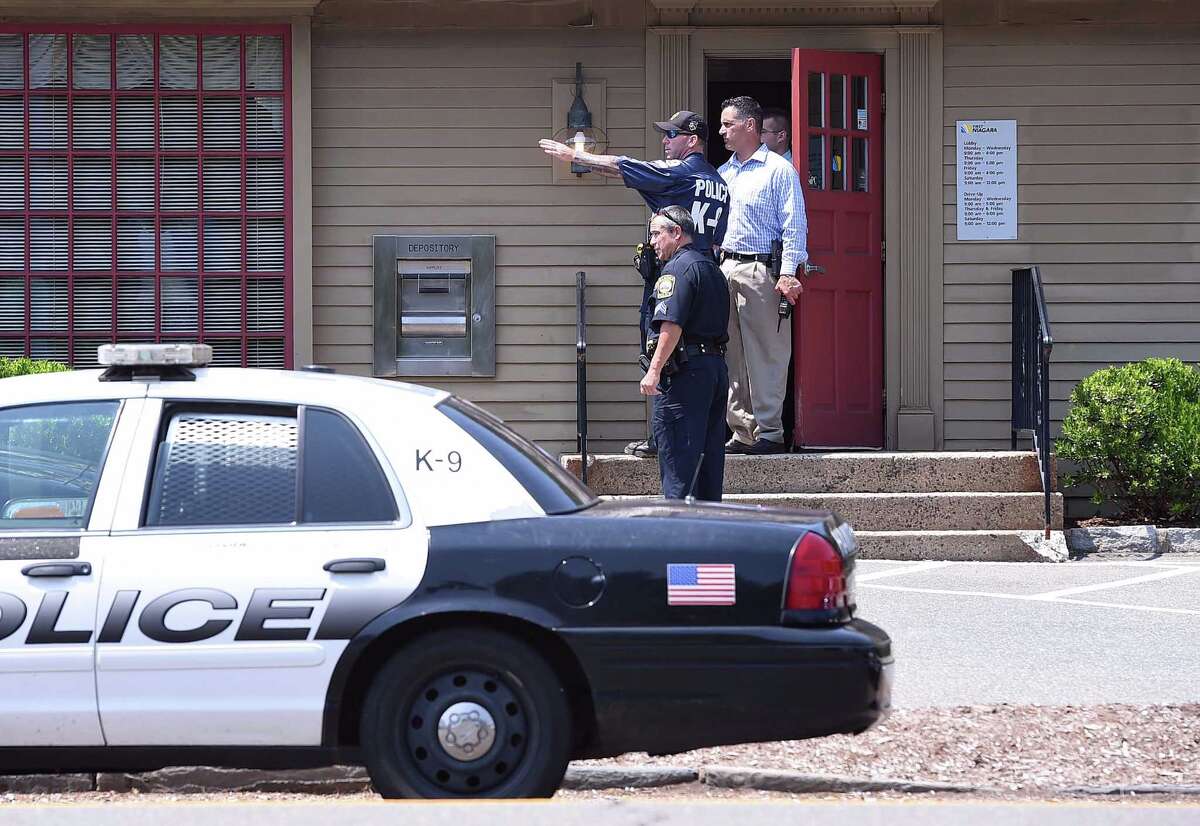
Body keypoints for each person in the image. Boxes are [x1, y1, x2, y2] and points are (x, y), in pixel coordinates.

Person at [539, 111, 729, 458]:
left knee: (662, 347)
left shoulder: (679, 172)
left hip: (676, 272)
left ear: (692, 140)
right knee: (700, 351)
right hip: (708, 272)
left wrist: (575, 156)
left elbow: (624, 166)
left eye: (671, 135)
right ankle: (690, 436)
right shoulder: (720, 182)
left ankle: (662, 438)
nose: (665, 141)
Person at [716, 96, 808, 455]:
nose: (722, 131)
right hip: (726, 266)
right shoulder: (723, 173)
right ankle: (743, 432)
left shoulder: (779, 170)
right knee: (733, 354)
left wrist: (787, 274)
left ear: (750, 126)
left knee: (767, 352)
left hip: (760, 269)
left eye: (728, 124)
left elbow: (794, 225)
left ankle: (770, 432)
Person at [639, 206, 729, 501]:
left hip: (685, 375)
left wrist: (654, 371)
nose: (652, 242)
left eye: (656, 234)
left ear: (676, 232)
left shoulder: (677, 270)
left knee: (679, 469)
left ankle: (680, 529)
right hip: (714, 370)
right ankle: (707, 529)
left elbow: (672, 324)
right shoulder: (711, 268)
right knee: (708, 470)